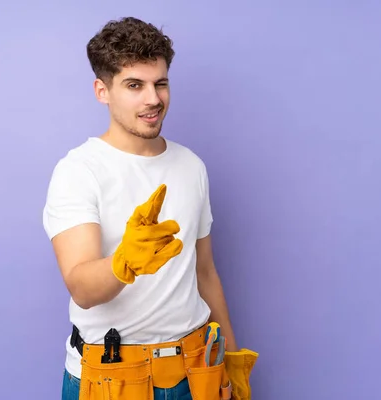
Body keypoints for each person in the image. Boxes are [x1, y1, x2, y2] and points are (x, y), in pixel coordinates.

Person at [42, 16, 258, 400]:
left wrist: (232, 361)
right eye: (134, 85)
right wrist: (125, 261)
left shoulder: (191, 165)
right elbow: (81, 288)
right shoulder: (79, 170)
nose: (153, 99)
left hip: (196, 370)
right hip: (112, 377)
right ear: (102, 90)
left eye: (160, 83)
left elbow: (205, 273)